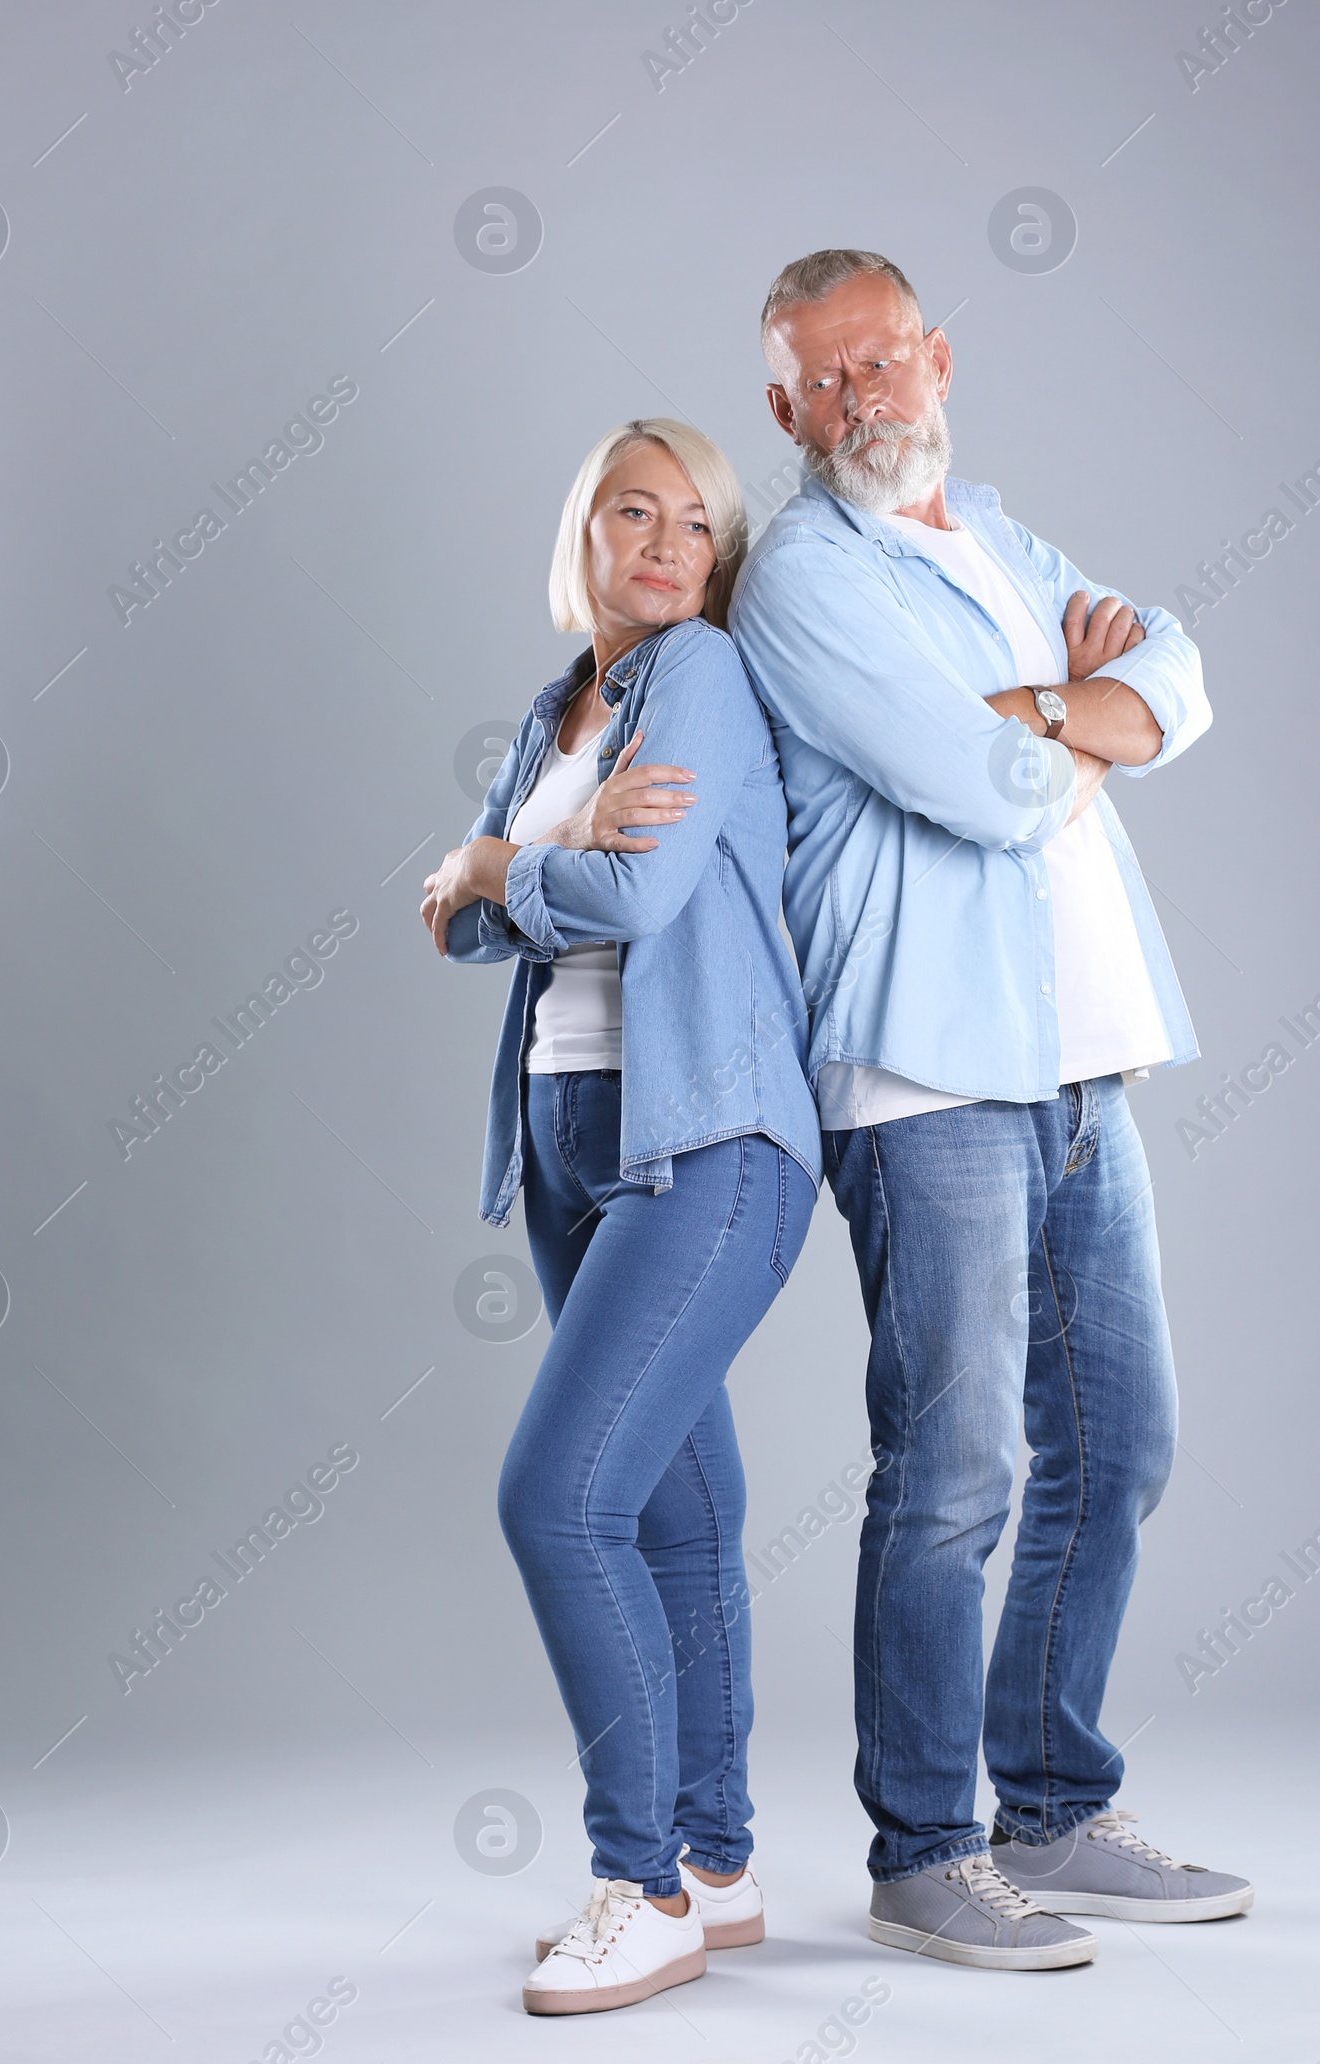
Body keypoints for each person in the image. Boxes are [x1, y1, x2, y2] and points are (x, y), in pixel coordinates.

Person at [729, 249, 1252, 1971]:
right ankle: (926, 1849)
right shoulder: (804, 573)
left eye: (884, 360)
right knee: (954, 1468)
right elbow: (984, 785)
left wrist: (1048, 712)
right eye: (826, 378)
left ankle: (1054, 1806)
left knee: (1121, 1447)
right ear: (789, 406)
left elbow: (1180, 668)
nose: (864, 398)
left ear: (937, 358)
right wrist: (1057, 724)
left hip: (1087, 1055)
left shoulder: (1007, 545)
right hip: (929, 1072)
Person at [421, 418, 821, 2016]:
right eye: (631, 512)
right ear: (581, 528)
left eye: (696, 525)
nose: (664, 545)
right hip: (576, 1137)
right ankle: (716, 1868)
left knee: (557, 1499)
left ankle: (636, 1881)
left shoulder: (701, 679)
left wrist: (501, 860)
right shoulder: (557, 709)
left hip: (707, 1141)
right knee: (670, 1513)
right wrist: (529, 851)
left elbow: (621, 898)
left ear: (718, 562)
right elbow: (457, 933)